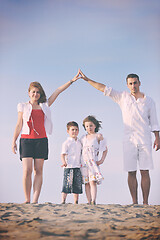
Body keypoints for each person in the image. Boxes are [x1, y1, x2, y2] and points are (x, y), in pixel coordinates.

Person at [79, 69, 160, 205]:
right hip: (128, 140)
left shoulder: (149, 101)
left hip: (145, 139)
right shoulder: (122, 97)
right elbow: (103, 88)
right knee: (131, 171)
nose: (133, 86)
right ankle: (135, 202)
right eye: (130, 83)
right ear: (127, 85)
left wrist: (157, 137)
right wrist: (87, 80)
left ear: (139, 83)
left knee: (145, 171)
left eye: (135, 83)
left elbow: (154, 122)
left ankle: (145, 202)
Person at [12, 72, 80, 204]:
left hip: (41, 140)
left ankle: (35, 200)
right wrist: (13, 140)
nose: (35, 94)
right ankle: (27, 199)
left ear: (40, 93)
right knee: (27, 170)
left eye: (38, 92)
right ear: (29, 93)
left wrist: (71, 80)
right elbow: (19, 124)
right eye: (33, 92)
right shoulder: (23, 106)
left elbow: (58, 91)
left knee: (39, 170)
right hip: (26, 140)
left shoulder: (45, 105)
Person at [81, 115, 108, 205]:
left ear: (95, 126)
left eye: (91, 125)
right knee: (86, 182)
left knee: (93, 181)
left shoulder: (98, 136)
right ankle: (88, 201)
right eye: (87, 126)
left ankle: (93, 200)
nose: (89, 128)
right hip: (84, 162)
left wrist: (101, 160)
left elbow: (105, 149)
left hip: (93, 162)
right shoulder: (83, 138)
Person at [61, 121, 83, 204]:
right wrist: (64, 162)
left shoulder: (79, 142)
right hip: (69, 166)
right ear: (68, 131)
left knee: (77, 185)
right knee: (66, 184)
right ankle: (63, 201)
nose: (74, 131)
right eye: (72, 130)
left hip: (77, 166)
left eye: (76, 130)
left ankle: (76, 201)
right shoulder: (66, 143)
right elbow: (62, 154)